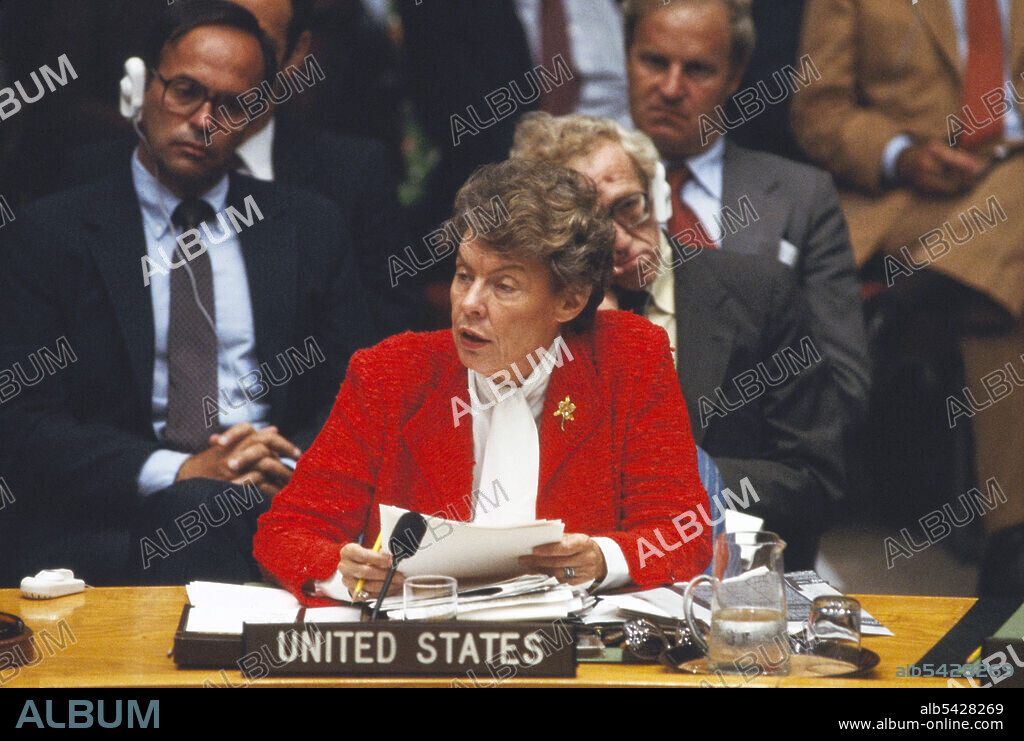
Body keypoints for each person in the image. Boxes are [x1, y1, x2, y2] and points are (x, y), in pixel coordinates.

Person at [0, 0, 376, 587]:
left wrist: (284, 460)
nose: (205, 120)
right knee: (199, 510)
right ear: (141, 88)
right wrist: (184, 471)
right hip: (111, 518)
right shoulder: (49, 234)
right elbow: (22, 423)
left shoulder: (308, 226)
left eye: (232, 106)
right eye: (185, 92)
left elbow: (350, 391)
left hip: (278, 505)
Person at [254, 159, 712, 604]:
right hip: (426, 651)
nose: (469, 303)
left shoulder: (628, 359)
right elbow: (286, 532)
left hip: (568, 652)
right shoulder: (390, 374)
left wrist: (603, 557)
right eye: (463, 275)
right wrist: (341, 571)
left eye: (503, 286)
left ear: (569, 300)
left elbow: (682, 533)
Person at [510, 112, 844, 568]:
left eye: (629, 207)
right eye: (586, 228)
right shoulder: (532, 321)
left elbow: (816, 483)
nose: (620, 241)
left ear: (658, 195)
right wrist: (592, 344)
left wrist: (676, 479)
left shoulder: (761, 293)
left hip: (729, 580)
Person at [791, 0, 1024, 597]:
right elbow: (817, 112)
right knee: (1006, 275)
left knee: (997, 296)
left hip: (1006, 206)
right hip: (910, 201)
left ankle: (913, 298)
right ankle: (1012, 543)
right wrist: (901, 154)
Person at [623, 0, 869, 428]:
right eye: (654, 61)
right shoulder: (570, 186)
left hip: (756, 467)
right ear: (626, 57)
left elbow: (844, 385)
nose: (671, 87)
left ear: (735, 76)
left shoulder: (801, 197)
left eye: (698, 69)